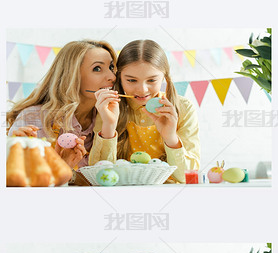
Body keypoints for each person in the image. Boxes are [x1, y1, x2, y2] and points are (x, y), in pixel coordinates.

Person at [88, 39, 200, 183]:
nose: (142, 90)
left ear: (164, 77)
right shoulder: (108, 107)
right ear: (119, 77)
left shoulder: (183, 108)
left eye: (152, 80)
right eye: (131, 80)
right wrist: (109, 127)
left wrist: (171, 138)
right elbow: (99, 177)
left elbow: (187, 178)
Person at [7, 40, 120, 172]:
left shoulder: (111, 115)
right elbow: (16, 176)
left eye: (111, 67)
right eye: (97, 68)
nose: (112, 77)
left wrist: (109, 126)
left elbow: (106, 175)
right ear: (72, 75)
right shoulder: (33, 118)